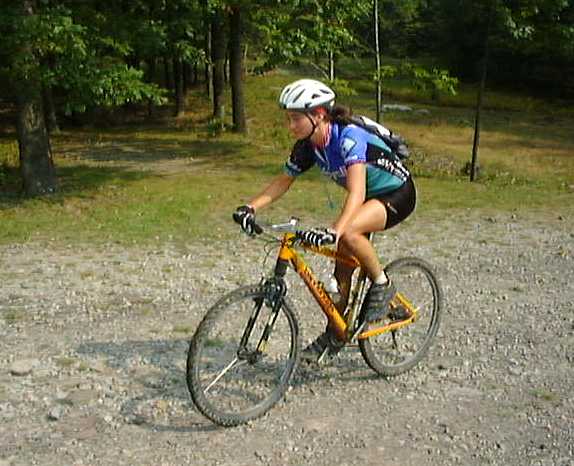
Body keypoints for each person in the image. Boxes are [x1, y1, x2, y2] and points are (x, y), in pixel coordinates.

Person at [233, 78, 416, 361]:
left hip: (397, 193)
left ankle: (382, 284)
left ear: (318, 115)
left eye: (295, 118)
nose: (290, 126)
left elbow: (357, 192)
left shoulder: (349, 137)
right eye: (288, 118)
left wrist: (335, 230)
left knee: (349, 232)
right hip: (365, 199)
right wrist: (250, 207)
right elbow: (283, 181)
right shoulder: (308, 146)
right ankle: (336, 334)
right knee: (341, 272)